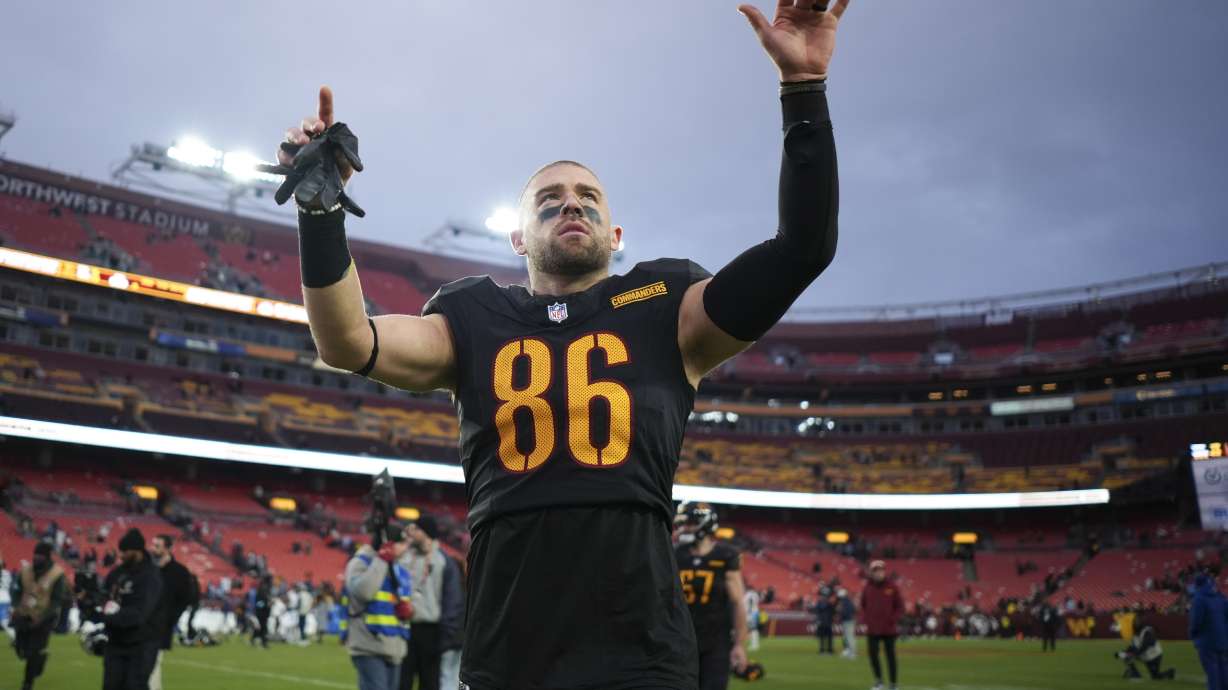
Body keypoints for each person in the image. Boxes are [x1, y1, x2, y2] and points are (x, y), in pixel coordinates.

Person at [275, 0, 847, 684]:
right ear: (519, 239)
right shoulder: (474, 314)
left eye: (587, 196)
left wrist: (803, 89)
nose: (570, 202)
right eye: (548, 199)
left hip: (640, 654)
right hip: (508, 654)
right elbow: (347, 341)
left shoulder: (668, 306)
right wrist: (320, 215)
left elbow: (801, 249)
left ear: (616, 235)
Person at [674, 502, 749, 690]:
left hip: (716, 642)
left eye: (689, 523)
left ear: (705, 523)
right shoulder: (676, 554)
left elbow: (738, 602)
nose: (684, 528)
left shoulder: (725, 555)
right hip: (680, 640)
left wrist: (739, 645)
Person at [345, 525, 414, 690]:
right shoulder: (360, 563)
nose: (406, 548)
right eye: (402, 543)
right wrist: (381, 560)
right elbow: (364, 592)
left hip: (395, 647)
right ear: (389, 545)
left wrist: (410, 611)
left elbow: (407, 602)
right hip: (369, 645)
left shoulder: (400, 570)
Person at [101, 528, 163, 690]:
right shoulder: (116, 573)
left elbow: (139, 613)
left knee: (134, 686)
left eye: (125, 551)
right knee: (110, 685)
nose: (121, 555)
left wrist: (107, 617)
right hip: (116, 641)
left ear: (137, 551)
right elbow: (103, 597)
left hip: (142, 644)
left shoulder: (151, 576)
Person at [10, 541, 71, 690]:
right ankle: (40, 658)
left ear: (47, 557)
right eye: (35, 554)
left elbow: (57, 600)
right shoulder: (25, 570)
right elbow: (16, 590)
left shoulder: (57, 574)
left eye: (40, 555)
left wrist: (43, 617)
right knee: (21, 650)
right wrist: (16, 606)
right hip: (23, 615)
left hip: (44, 618)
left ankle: (27, 683)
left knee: (33, 652)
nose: (36, 557)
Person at [399, 515, 447, 690]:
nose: (413, 533)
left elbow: (448, 598)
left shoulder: (441, 561)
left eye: (417, 529)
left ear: (426, 532)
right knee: (402, 682)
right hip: (406, 627)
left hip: (431, 629)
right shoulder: (405, 557)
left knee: (429, 682)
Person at [148, 534, 196, 690]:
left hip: (161, 626)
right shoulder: (147, 568)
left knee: (152, 664)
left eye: (157, 546)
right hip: (141, 624)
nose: (153, 549)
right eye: (153, 545)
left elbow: (186, 599)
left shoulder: (179, 572)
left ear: (168, 548)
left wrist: (170, 618)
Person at [860, 560, 903, 690]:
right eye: (875, 571)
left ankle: (893, 684)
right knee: (873, 655)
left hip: (888, 628)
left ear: (884, 571)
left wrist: (892, 619)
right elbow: (863, 605)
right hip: (873, 628)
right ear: (871, 573)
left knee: (891, 657)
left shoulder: (892, 587)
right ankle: (878, 681)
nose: (878, 573)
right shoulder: (867, 587)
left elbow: (900, 607)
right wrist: (866, 619)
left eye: (880, 570)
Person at [1189, 574, 1228, 690]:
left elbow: (1196, 621)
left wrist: (1192, 634)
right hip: (1223, 640)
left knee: (1212, 671)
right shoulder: (1221, 597)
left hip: (1206, 640)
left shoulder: (1199, 599)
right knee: (1224, 668)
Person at [1118, 613, 1176, 680]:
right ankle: (1134, 673)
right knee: (1124, 655)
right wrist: (1124, 652)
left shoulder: (1147, 631)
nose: (1135, 623)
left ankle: (1170, 672)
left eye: (1137, 621)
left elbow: (1146, 645)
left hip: (1154, 656)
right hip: (1145, 655)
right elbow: (1132, 646)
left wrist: (1134, 654)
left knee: (1155, 677)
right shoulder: (1134, 633)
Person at [437, 550, 465, 690]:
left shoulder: (449, 592)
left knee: (446, 676)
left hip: (449, 639)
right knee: (455, 677)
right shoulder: (467, 591)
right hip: (462, 641)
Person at [251, 576, 272, 648]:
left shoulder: (264, 590)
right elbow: (259, 603)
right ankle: (264, 643)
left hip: (264, 612)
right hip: (261, 613)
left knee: (261, 628)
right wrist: (266, 604)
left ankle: (253, 639)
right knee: (263, 628)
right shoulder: (262, 590)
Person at [814, 587, 835, 654]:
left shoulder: (821, 603)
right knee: (827, 637)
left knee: (824, 637)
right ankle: (828, 650)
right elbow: (833, 612)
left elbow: (817, 612)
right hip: (826, 622)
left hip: (824, 622)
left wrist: (817, 620)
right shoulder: (829, 603)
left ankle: (824, 650)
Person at [837, 587, 857, 659]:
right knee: (846, 637)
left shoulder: (844, 602)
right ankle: (848, 651)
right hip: (848, 620)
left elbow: (845, 612)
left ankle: (852, 652)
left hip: (848, 620)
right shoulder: (848, 601)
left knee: (849, 637)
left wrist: (840, 613)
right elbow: (854, 610)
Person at [745, 586, 762, 652]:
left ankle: (754, 645)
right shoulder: (755, 594)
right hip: (755, 612)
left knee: (751, 629)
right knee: (753, 629)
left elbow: (745, 604)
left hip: (749, 613)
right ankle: (755, 644)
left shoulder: (746, 595)